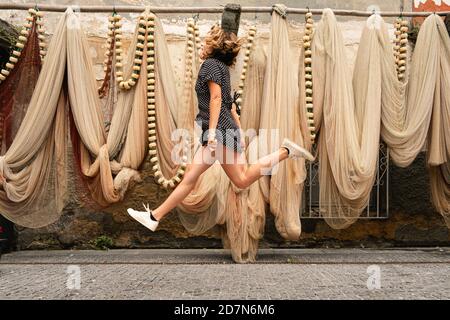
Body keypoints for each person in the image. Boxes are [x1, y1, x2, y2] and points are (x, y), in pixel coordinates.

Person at [127, 24, 314, 231]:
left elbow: (216, 99)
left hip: (219, 132)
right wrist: (240, 132)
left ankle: (285, 151)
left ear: (213, 46)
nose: (201, 44)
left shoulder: (210, 65)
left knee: (240, 179)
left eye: (205, 41)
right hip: (224, 130)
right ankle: (154, 217)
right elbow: (231, 105)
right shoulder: (221, 68)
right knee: (192, 177)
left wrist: (215, 132)